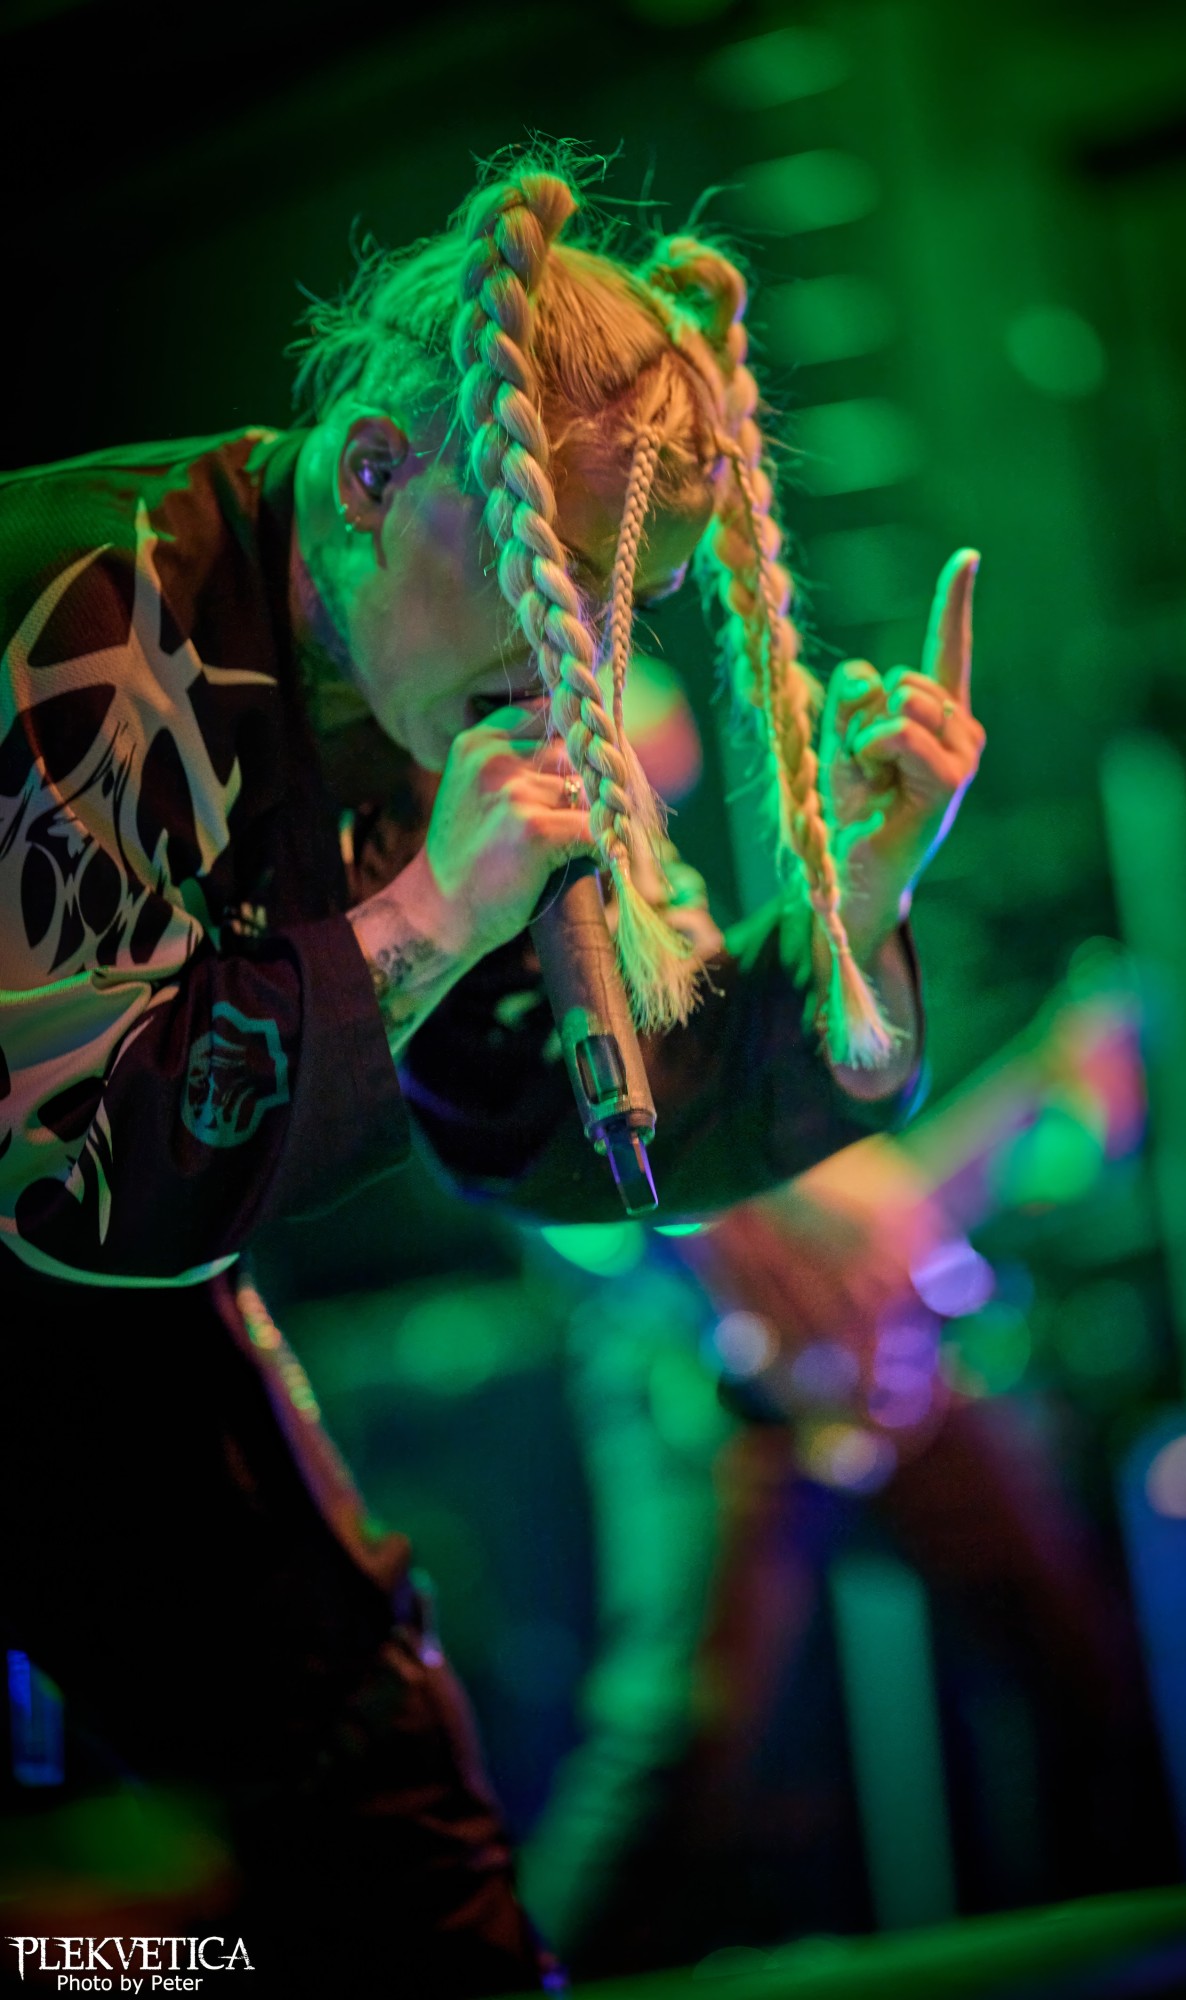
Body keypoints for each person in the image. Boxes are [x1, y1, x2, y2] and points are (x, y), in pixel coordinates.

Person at [0, 148, 984, 1994]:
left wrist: (846, 907)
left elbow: (556, 1121)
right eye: (547, 576)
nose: (581, 660)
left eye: (624, 602)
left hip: (96, 1316)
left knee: (370, 1772)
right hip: (65, 1245)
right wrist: (426, 915)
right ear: (374, 475)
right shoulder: (83, 605)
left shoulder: (439, 698)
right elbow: (64, 1163)